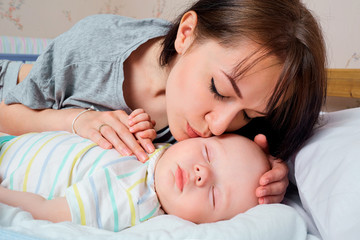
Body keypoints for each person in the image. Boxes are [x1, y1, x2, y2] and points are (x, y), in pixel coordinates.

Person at [0, 0, 327, 204]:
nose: (218, 125)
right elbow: (7, 113)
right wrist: (76, 121)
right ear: (186, 34)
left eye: (247, 113)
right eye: (219, 90)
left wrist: (274, 172)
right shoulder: (91, 53)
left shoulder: (241, 127)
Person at [0, 131, 270, 232]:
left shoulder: (131, 200)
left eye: (213, 196)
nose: (202, 173)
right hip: (11, 141)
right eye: (207, 153)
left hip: (7, 171)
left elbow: (47, 212)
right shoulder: (160, 150)